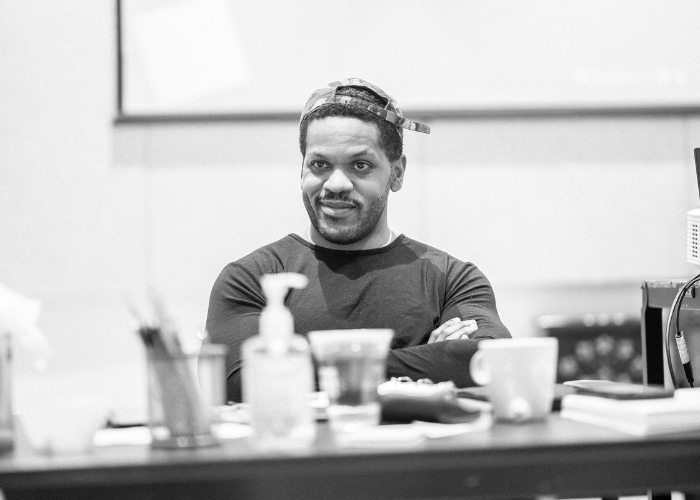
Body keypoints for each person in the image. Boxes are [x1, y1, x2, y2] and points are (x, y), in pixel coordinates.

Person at [206, 78, 511, 403]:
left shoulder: (451, 280)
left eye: (360, 165)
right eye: (320, 164)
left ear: (396, 174)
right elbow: (244, 381)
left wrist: (300, 366)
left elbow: (488, 361)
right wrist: (430, 360)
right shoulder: (252, 279)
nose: (336, 183)